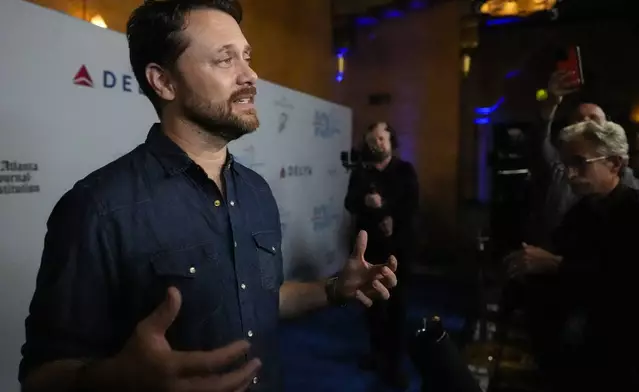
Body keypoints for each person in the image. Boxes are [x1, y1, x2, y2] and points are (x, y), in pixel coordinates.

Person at [18, 1, 398, 391]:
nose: (250, 75)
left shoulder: (256, 191)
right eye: (224, 59)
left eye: (246, 57)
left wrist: (334, 288)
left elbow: (258, 297)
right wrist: (117, 380)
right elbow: (41, 376)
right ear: (163, 81)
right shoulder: (97, 208)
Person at [507, 120, 639, 391]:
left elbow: (627, 284)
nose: (570, 174)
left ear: (615, 163)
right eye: (566, 163)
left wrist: (556, 265)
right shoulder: (580, 212)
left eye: (580, 163)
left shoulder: (637, 212)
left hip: (622, 357)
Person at [523, 70, 639, 250]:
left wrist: (557, 265)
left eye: (593, 120)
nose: (585, 124)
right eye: (579, 121)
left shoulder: (635, 196)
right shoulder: (578, 209)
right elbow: (537, 144)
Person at [344, 122, 419, 389]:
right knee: (372, 307)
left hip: (399, 251)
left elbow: (412, 203)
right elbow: (349, 202)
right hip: (369, 252)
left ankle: (395, 364)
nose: (377, 143)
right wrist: (365, 202)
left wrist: (386, 210)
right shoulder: (360, 173)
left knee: (398, 307)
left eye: (381, 138)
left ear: (391, 141)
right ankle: (377, 354)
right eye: (372, 140)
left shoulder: (405, 170)